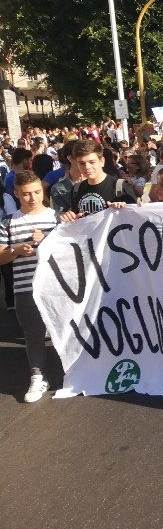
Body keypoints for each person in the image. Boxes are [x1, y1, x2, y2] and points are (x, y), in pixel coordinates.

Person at [0, 171, 58, 402]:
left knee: (66, 330)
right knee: (33, 334)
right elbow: (1, 257)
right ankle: (38, 375)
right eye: (26, 194)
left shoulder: (57, 217)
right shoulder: (8, 222)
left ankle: (75, 371)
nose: (33, 198)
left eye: (37, 192)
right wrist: (15, 250)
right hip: (25, 288)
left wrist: (48, 240)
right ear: (16, 194)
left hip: (57, 287)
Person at [60, 139, 136, 222]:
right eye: (81, 163)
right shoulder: (76, 190)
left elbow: (136, 219)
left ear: (102, 161)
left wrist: (124, 208)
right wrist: (69, 217)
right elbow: (75, 218)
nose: (87, 167)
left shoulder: (120, 187)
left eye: (92, 162)